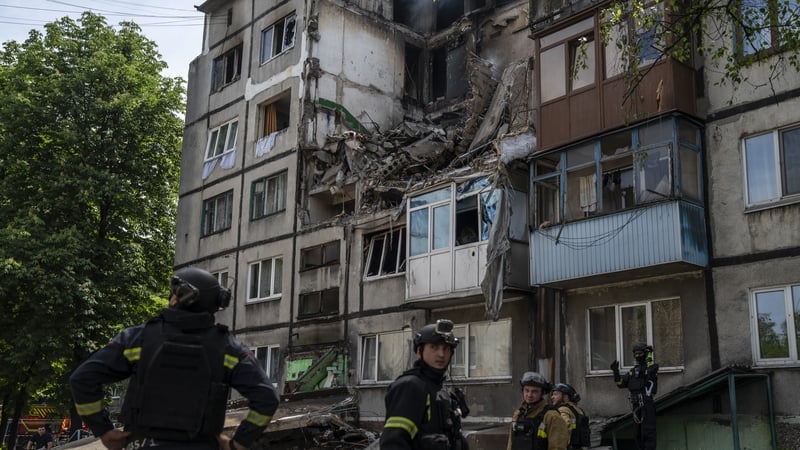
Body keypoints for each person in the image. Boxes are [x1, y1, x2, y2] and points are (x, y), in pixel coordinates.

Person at [70, 267, 280, 450]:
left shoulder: (138, 340)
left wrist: (104, 430)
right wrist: (238, 443)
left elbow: (82, 378)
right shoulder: (229, 349)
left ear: (178, 298)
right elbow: (267, 398)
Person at [380, 319, 469, 450]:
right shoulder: (410, 386)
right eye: (434, 347)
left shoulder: (439, 388)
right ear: (419, 351)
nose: (441, 354)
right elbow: (394, 443)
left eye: (446, 348)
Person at [611, 343, 659, 450]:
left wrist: (649, 355)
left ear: (645, 354)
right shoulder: (632, 372)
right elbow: (620, 384)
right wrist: (615, 372)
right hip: (635, 406)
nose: (637, 356)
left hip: (646, 405)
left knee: (648, 433)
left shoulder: (651, 368)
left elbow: (651, 371)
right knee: (637, 435)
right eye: (635, 354)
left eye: (640, 353)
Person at [507, 372, 569, 450]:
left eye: (534, 391)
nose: (529, 395)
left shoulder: (551, 416)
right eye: (527, 390)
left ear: (542, 393)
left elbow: (558, 447)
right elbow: (511, 444)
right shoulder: (518, 414)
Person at [550, 384, 589, 450]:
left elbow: (564, 429)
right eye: (552, 394)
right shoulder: (578, 409)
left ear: (565, 397)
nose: (552, 397)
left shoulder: (563, 410)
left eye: (555, 394)